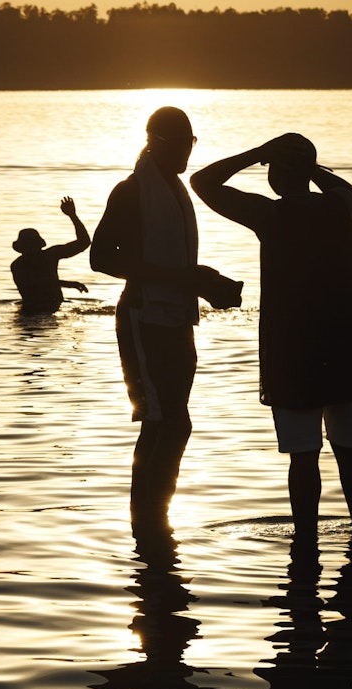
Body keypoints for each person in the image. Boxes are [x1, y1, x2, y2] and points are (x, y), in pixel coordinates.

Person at [190, 133, 352, 536]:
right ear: (309, 172)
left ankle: (305, 543)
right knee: (351, 451)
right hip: (346, 350)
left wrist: (258, 153)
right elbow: (343, 187)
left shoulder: (269, 214)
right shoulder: (342, 206)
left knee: (303, 457)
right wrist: (309, 165)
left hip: (294, 355)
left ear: (275, 174)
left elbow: (202, 181)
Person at [90, 106, 238, 525]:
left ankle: (154, 528)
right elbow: (100, 258)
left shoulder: (174, 190)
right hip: (143, 318)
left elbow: (177, 268)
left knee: (171, 424)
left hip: (177, 319)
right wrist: (185, 278)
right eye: (177, 144)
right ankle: (148, 520)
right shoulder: (131, 191)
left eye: (190, 143)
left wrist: (205, 284)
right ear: (154, 142)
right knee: (166, 423)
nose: (185, 152)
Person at [10, 196, 91, 313]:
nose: (32, 250)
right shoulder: (24, 263)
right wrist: (70, 284)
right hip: (40, 309)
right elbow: (39, 283)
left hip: (34, 310)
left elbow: (84, 243)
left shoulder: (47, 256)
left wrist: (73, 216)